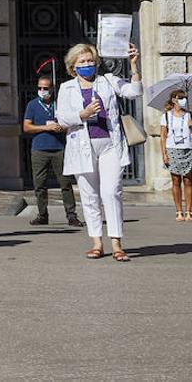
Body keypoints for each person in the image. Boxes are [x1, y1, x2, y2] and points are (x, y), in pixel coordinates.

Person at [54, 42, 142, 262]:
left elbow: (133, 92)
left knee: (111, 192)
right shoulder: (67, 88)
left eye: (90, 60)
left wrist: (133, 66)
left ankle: (117, 243)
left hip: (109, 144)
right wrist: (82, 114)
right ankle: (96, 242)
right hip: (82, 146)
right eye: (82, 62)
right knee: (89, 195)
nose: (87, 64)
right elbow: (62, 118)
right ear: (73, 66)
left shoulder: (108, 81)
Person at [22, 75, 81, 227]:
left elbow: (72, 122)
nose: (42, 91)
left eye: (45, 88)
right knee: (39, 184)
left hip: (59, 148)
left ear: (52, 89)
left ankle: (71, 215)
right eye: (40, 88)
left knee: (65, 183)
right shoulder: (32, 105)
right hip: (39, 149)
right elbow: (27, 127)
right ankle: (42, 214)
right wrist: (45, 127)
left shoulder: (59, 104)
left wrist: (62, 126)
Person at [160, 89, 192, 222]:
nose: (183, 100)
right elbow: (162, 136)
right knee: (176, 181)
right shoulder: (166, 116)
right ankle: (179, 211)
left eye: (184, 97)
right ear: (174, 100)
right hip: (172, 149)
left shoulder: (189, 115)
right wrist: (164, 154)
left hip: (188, 149)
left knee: (188, 181)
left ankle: (189, 211)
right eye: (180, 97)